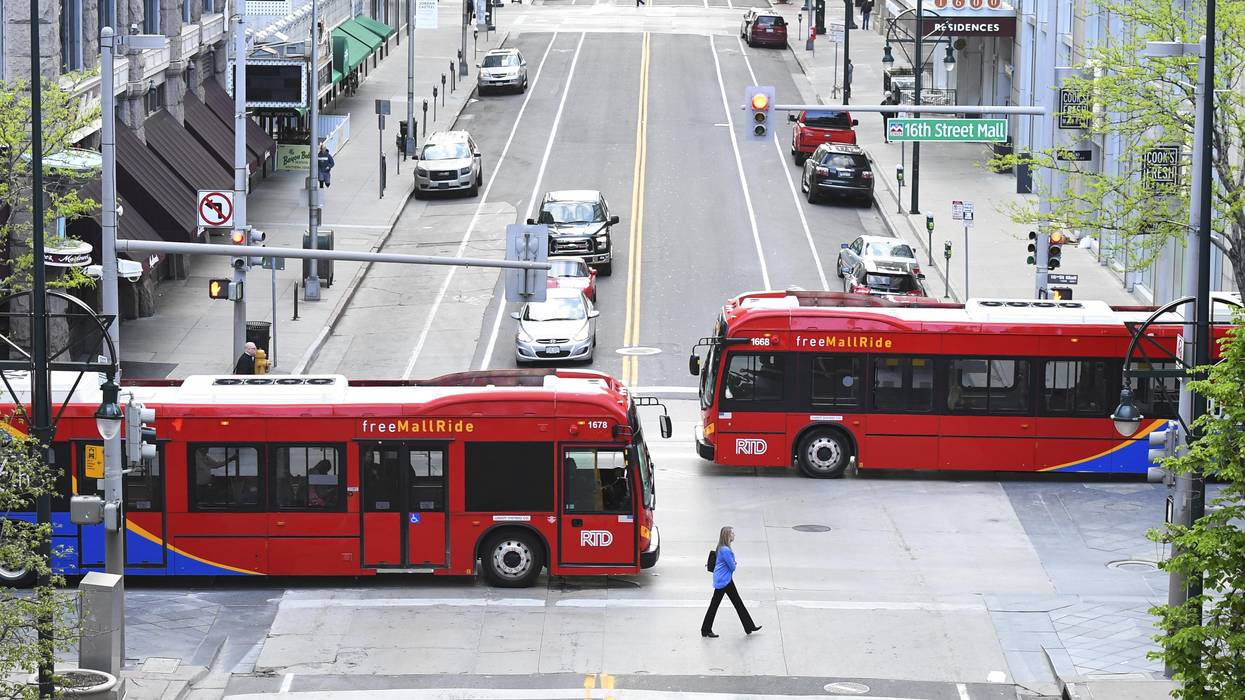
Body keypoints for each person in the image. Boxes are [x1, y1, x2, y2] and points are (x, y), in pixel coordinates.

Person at [701, 526, 761, 638]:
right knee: (715, 605)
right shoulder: (725, 550)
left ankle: (749, 626)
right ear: (727, 536)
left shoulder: (721, 547)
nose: (734, 535)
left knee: (737, 603)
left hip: (725, 579)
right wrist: (734, 562)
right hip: (723, 581)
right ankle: (706, 629)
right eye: (732, 534)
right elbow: (732, 567)